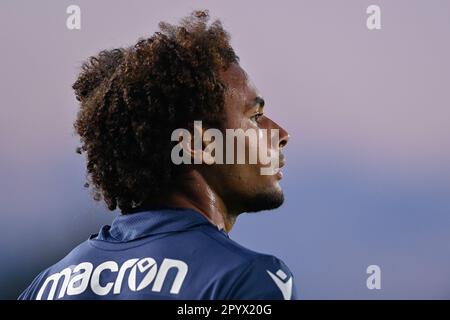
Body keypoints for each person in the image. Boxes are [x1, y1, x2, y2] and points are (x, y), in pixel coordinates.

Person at [19, 10, 296, 300]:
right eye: (255, 116)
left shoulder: (43, 287)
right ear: (199, 144)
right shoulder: (245, 280)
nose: (281, 133)